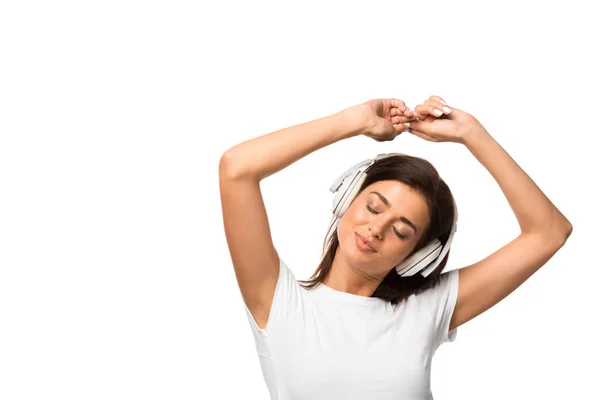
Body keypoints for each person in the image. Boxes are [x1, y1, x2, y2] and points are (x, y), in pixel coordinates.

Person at [218, 96, 573, 399]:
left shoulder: (427, 308)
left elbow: (549, 231)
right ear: (347, 196)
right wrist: (355, 121)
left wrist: (471, 133)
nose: (376, 229)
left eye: (401, 232)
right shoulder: (278, 302)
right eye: (373, 207)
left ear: (418, 256)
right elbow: (237, 168)